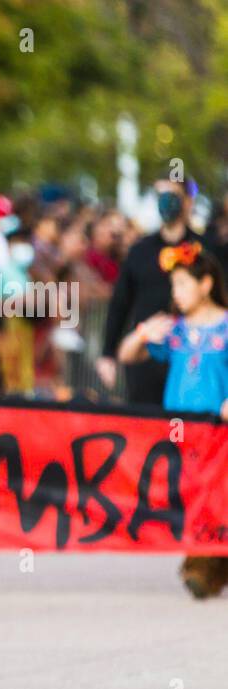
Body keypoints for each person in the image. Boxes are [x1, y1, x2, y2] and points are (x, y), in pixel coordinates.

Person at [116, 241, 228, 599]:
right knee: (195, 496)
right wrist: (143, 333)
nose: (176, 293)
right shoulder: (175, 330)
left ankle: (202, 567)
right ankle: (207, 563)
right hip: (182, 430)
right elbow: (127, 355)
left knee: (215, 497)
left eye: (182, 284)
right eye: (174, 286)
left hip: (218, 431)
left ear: (206, 283)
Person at [100, 179, 204, 405]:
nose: (166, 202)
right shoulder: (140, 251)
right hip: (147, 355)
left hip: (193, 357)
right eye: (161, 195)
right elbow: (120, 302)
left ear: (187, 201)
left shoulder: (204, 250)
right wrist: (108, 352)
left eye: (173, 195)